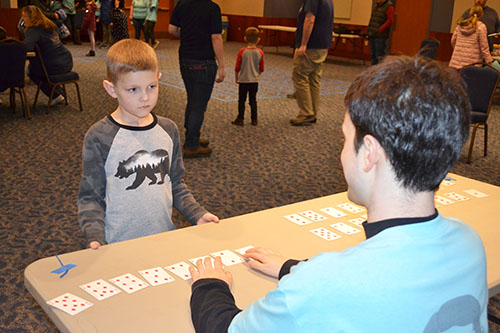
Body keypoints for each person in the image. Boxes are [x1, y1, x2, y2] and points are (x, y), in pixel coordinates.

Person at [188, 56, 488, 332]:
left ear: (368, 153)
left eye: (344, 139)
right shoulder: (469, 242)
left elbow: (226, 328)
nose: (342, 153)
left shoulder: (323, 285)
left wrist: (209, 285)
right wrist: (291, 268)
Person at [77, 38, 219, 249]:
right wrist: (95, 235)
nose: (145, 97)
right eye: (133, 89)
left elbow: (176, 183)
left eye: (151, 86)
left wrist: (196, 213)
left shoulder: (168, 130)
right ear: (112, 89)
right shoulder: (100, 136)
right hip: (116, 244)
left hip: (163, 239)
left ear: (159, 79)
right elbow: (90, 196)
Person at [168, 0, 225, 158]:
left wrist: (187, 34)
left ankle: (193, 135)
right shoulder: (212, 8)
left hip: (185, 58)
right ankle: (192, 144)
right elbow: (216, 38)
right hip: (204, 61)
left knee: (193, 99)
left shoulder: (181, 4)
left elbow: (172, 30)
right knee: (198, 104)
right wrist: (221, 65)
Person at [290, 0, 334, 126]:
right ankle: (312, 112)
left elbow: (310, 19)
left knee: (300, 76)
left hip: (311, 45)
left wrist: (303, 44)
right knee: (314, 78)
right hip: (322, 45)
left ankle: (306, 113)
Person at [21, 5, 73, 105]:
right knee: (38, 65)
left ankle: (55, 95)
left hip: (55, 66)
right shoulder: (49, 26)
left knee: (31, 70)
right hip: (67, 61)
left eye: (24, 16)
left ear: (32, 18)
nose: (22, 19)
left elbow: (26, 48)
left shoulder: (34, 30)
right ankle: (58, 92)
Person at [231, 27, 264, 127]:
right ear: (258, 39)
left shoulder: (242, 51)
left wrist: (237, 77)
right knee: (253, 100)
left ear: (245, 38)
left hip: (243, 80)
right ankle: (254, 120)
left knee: (241, 100)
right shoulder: (260, 52)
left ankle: (240, 119)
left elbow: (237, 66)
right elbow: (261, 68)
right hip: (254, 81)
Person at [450, 5, 493, 70]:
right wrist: (489, 62)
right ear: (481, 14)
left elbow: (453, 41)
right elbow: (484, 48)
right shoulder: (481, 27)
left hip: (455, 64)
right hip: (472, 67)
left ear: (470, 13)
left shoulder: (461, 25)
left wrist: (459, 51)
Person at [367, 0, 394, 65]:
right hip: (373, 33)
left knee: (379, 55)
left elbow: (390, 21)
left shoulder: (389, 6)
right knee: (373, 54)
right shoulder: (376, 6)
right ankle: (373, 71)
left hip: (380, 36)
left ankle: (380, 72)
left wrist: (380, 29)